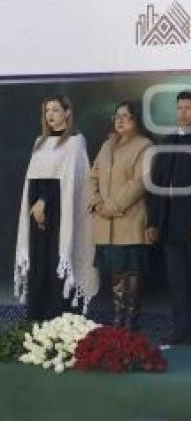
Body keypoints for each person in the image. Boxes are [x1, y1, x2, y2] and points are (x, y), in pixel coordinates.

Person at [15, 95, 99, 320]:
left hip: (60, 214)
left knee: (57, 262)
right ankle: (38, 315)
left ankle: (60, 316)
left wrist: (44, 202)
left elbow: (70, 180)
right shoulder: (39, 143)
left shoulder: (74, 141)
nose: (50, 115)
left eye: (55, 110)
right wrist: (35, 207)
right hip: (36, 215)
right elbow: (33, 180)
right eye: (46, 111)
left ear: (67, 112)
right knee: (39, 261)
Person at [146, 90, 191, 345]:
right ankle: (180, 327)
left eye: (189, 108)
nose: (183, 113)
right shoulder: (165, 141)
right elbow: (156, 185)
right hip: (169, 222)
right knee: (177, 279)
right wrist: (153, 222)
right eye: (180, 108)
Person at [87, 100, 153, 330]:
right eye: (117, 116)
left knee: (131, 270)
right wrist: (96, 203)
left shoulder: (145, 146)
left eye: (126, 116)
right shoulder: (106, 146)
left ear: (136, 120)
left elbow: (141, 182)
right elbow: (92, 177)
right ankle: (117, 319)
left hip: (129, 219)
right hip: (105, 221)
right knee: (115, 272)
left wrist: (112, 205)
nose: (120, 120)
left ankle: (131, 321)